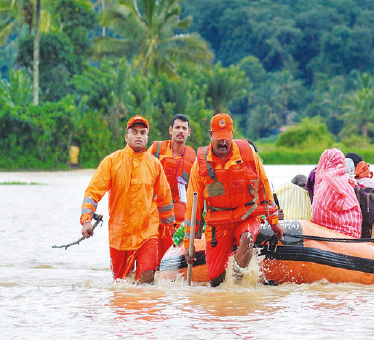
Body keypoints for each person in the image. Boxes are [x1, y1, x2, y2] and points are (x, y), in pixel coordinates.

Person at [184, 113, 283, 287]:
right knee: (215, 280)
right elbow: (193, 207)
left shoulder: (248, 155)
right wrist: (188, 244)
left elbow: (264, 189)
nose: (223, 143)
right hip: (218, 224)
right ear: (210, 135)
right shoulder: (200, 165)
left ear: (232, 134)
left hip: (246, 216)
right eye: (219, 139)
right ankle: (225, 289)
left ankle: (235, 286)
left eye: (226, 139)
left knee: (247, 238)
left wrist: (274, 222)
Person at [79, 115, 176, 284]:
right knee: (121, 284)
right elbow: (93, 193)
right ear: (126, 136)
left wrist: (170, 232)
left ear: (147, 138)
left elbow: (165, 200)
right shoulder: (111, 162)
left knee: (147, 280)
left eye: (143, 132)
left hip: (148, 233)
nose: (139, 136)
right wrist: (86, 220)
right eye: (134, 132)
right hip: (120, 235)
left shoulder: (154, 165)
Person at [148, 113, 196, 264]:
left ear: (188, 132)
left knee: (173, 259)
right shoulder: (156, 150)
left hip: (181, 215)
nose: (180, 131)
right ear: (171, 130)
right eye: (177, 127)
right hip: (155, 213)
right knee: (153, 257)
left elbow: (196, 187)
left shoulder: (192, 156)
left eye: (184, 128)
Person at [311, 148, 363, 238]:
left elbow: (318, 214)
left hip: (326, 233)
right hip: (352, 234)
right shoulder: (346, 180)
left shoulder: (325, 181)